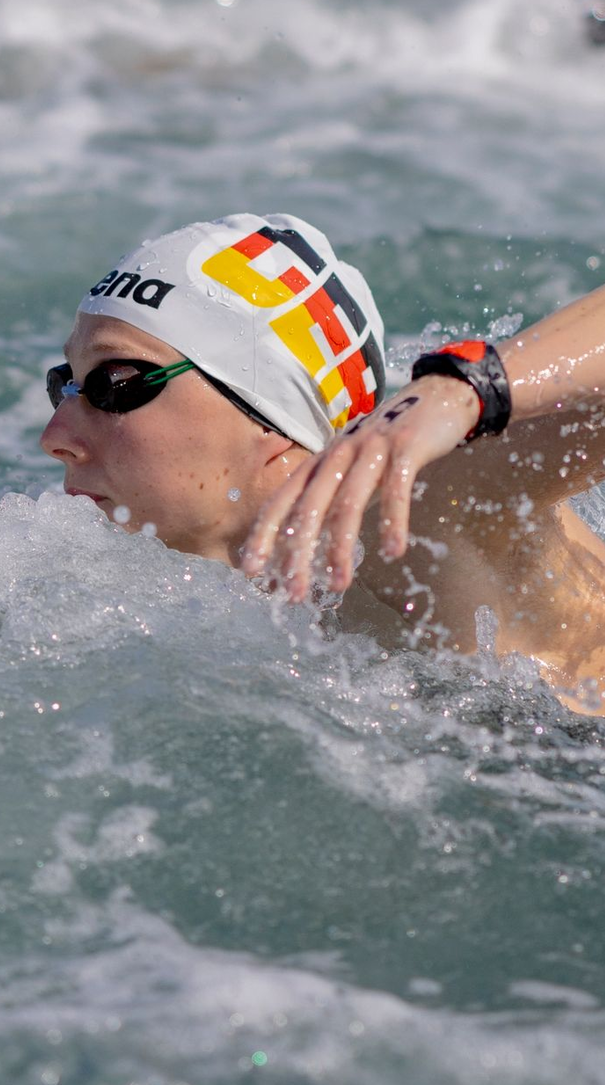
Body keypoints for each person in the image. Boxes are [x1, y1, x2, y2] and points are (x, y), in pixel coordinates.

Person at [40, 213, 605, 713]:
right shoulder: (190, 599)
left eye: (114, 383)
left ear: (267, 418)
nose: (55, 436)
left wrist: (465, 390)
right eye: (62, 386)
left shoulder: (412, 505)